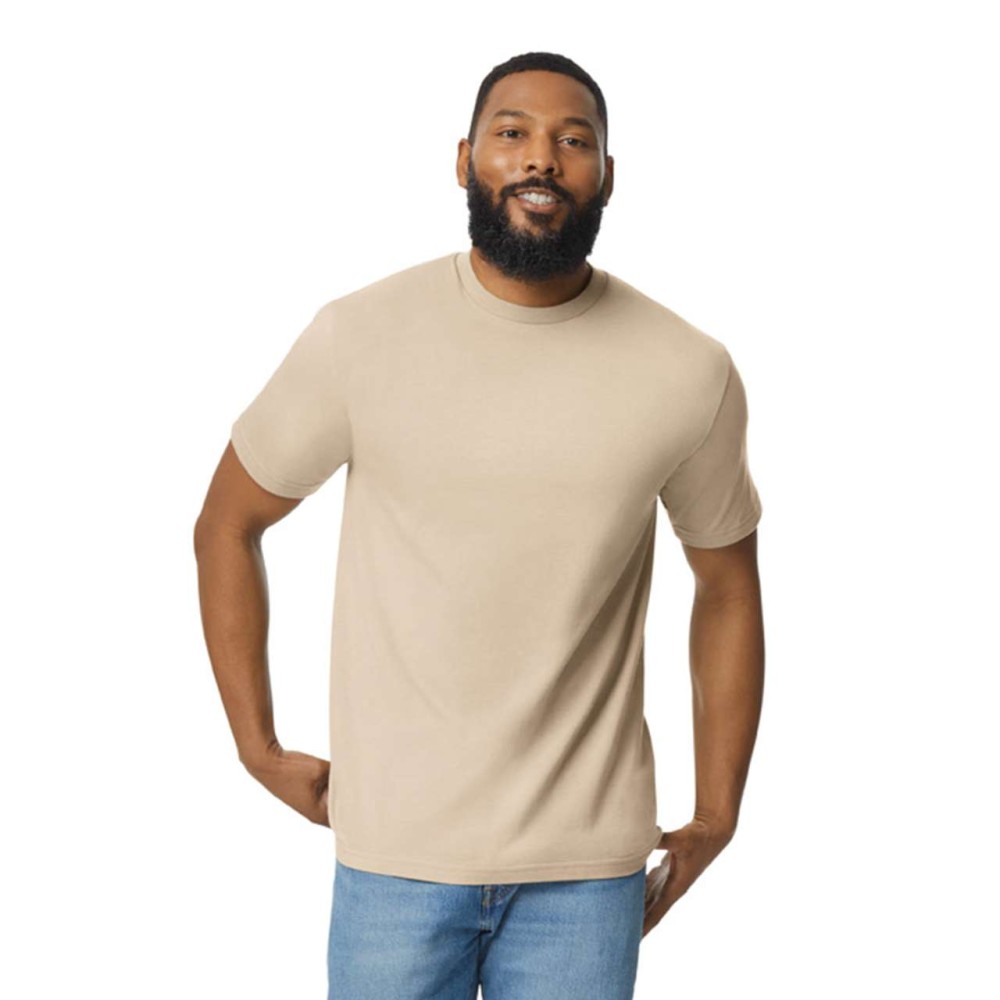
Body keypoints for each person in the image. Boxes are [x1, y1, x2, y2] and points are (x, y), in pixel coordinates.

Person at [194, 50, 765, 1000]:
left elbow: (729, 585)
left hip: (587, 871)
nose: (541, 157)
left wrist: (718, 811)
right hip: (395, 856)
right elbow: (227, 523)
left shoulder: (687, 369)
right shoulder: (360, 336)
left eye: (573, 140)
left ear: (607, 176)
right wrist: (257, 747)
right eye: (512, 133)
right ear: (464, 160)